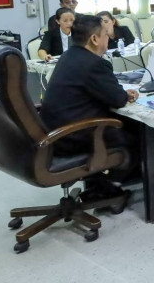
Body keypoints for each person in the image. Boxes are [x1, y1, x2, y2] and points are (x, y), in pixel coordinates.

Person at [40, 14, 139, 196]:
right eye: (105, 34)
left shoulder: (68, 56)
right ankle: (109, 189)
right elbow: (117, 99)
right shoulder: (95, 64)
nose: (108, 38)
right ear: (94, 39)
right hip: (72, 136)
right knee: (139, 134)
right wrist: (125, 94)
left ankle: (100, 184)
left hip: (53, 132)